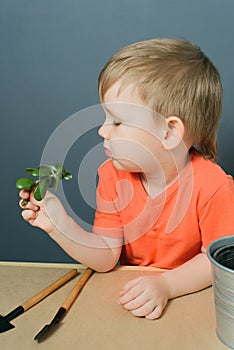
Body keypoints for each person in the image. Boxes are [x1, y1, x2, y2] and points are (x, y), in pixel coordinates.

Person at [19, 38, 234, 320]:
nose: (103, 131)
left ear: (169, 133)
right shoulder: (111, 175)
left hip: (194, 303)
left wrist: (166, 285)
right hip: (131, 301)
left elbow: (215, 262)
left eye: (117, 122)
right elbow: (107, 256)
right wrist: (60, 225)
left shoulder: (213, 185)